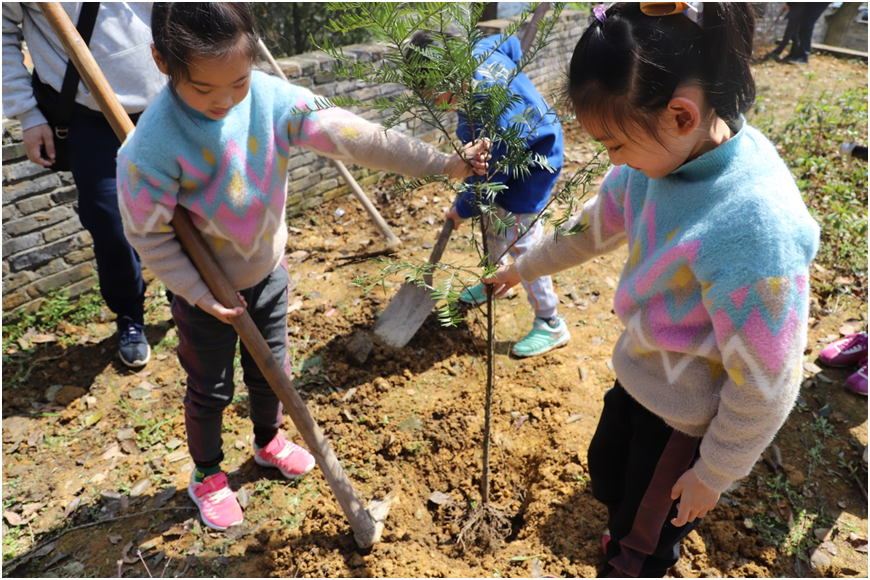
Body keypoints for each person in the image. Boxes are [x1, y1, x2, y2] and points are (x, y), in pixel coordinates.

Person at [117, 2, 488, 532]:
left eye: (238, 82)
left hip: (267, 273)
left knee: (274, 370)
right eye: (203, 90)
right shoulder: (149, 149)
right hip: (207, 295)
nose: (224, 101)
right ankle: (207, 475)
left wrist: (442, 163)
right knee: (211, 388)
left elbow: (351, 134)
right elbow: (148, 237)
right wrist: (199, 295)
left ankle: (268, 442)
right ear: (161, 61)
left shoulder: (271, 100)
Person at [486, 3, 819, 576]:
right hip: (640, 374)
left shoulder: (753, 225)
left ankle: (630, 558)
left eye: (615, 144)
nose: (612, 161)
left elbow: (768, 377)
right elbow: (595, 224)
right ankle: (624, 531)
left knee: (645, 535)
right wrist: (525, 266)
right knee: (608, 470)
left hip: (683, 420)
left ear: (681, 116)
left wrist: (713, 472)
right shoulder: (652, 165)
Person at [2, 2, 165, 368]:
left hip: (166, 104)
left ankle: (188, 301)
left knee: (187, 211)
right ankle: (129, 317)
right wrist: (27, 114)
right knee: (112, 229)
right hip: (90, 121)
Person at [408, 30, 568, 358]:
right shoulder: (480, 50)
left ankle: (550, 321)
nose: (433, 102)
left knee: (522, 241)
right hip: (515, 151)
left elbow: (489, 175)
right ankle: (495, 281)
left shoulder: (486, 108)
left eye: (433, 93)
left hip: (534, 162)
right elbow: (511, 45)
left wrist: (462, 207)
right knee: (493, 220)